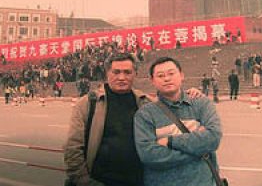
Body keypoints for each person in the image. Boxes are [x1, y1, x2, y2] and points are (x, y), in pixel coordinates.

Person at [63, 53, 202, 186]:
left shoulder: (146, 102)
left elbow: (175, 124)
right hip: (99, 181)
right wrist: (86, 183)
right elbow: (73, 148)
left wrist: (193, 96)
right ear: (107, 73)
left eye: (127, 72)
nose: (122, 77)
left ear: (135, 73)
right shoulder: (88, 104)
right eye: (116, 72)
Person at [134, 57, 222, 186]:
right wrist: (199, 149)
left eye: (171, 73)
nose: (167, 78)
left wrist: (170, 141)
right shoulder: (145, 114)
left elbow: (213, 137)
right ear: (152, 80)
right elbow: (149, 155)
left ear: (181, 75)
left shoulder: (201, 104)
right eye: (160, 75)